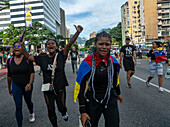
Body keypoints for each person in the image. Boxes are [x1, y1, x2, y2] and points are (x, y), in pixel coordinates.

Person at [20, 25, 83, 127]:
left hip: (60, 87)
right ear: (46, 47)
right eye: (48, 44)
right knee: (50, 109)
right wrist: (22, 46)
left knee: (61, 107)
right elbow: (28, 56)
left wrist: (77, 32)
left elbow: (69, 44)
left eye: (53, 43)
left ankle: (63, 112)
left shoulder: (62, 55)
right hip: (47, 88)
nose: (50, 45)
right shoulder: (42, 58)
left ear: (56, 46)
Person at [74, 31, 123, 127]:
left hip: (109, 97)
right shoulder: (87, 63)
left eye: (107, 44)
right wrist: (83, 111)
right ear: (95, 45)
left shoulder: (113, 61)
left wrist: (119, 93)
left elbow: (114, 80)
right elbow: (81, 88)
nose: (104, 47)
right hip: (92, 99)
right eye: (101, 44)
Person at [7, 41, 35, 127]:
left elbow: (32, 73)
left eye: (19, 46)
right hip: (16, 85)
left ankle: (31, 112)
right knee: (18, 106)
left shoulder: (27, 59)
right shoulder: (10, 60)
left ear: (22, 48)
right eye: (14, 46)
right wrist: (9, 88)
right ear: (13, 49)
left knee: (28, 101)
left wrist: (30, 83)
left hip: (27, 85)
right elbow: (9, 75)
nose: (16, 48)